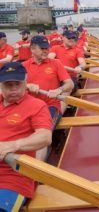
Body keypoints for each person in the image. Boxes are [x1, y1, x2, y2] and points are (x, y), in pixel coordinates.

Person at [0, 62, 52, 211]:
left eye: (18, 83)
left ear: (26, 82)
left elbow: (45, 136)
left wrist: (11, 146)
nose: (14, 88)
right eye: (8, 84)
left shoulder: (37, 105)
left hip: (14, 176)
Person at [23, 35, 74, 119]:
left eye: (47, 48)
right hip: (30, 106)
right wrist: (28, 86)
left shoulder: (56, 63)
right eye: (42, 48)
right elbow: (11, 87)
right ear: (32, 49)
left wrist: (59, 90)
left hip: (51, 105)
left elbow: (70, 84)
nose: (46, 51)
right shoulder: (23, 66)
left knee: (44, 125)